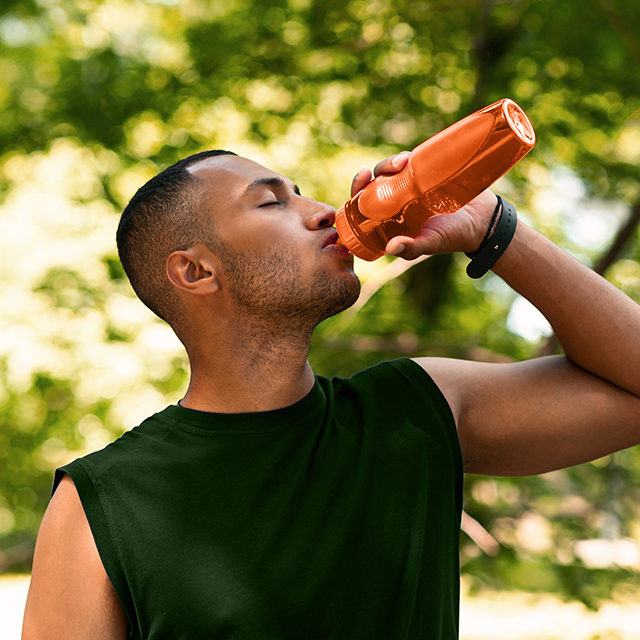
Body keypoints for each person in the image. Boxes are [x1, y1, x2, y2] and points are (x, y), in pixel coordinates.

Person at [22, 148, 640, 640]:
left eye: (302, 192)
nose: (323, 210)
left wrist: (493, 230)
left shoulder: (416, 411)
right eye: (272, 203)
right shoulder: (102, 502)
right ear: (196, 271)